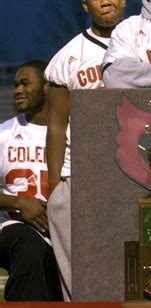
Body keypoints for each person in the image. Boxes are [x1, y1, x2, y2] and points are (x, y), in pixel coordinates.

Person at [45, 0, 126, 300]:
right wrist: (54, 185)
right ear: (85, 5)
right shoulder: (68, 57)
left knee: (131, 272)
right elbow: (55, 124)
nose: (105, 0)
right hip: (81, 173)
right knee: (81, 280)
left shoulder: (147, 43)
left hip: (134, 173)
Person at [0, 60, 63, 301]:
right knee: (29, 244)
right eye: (16, 84)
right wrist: (20, 203)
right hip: (12, 228)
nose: (17, 90)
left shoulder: (70, 134)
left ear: (47, 87)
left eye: (25, 83)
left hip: (59, 229)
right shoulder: (4, 134)